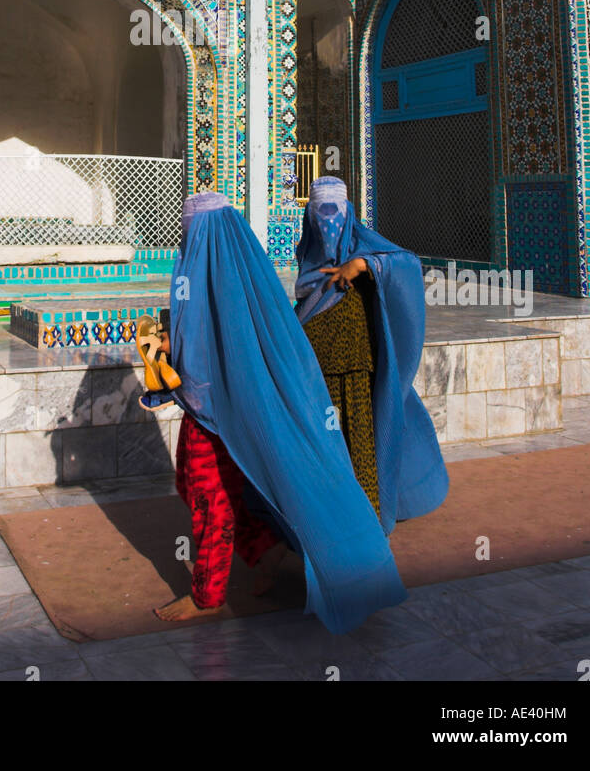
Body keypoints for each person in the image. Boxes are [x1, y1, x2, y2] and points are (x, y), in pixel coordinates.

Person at [146, 189, 408, 633]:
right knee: (213, 487)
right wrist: (170, 348)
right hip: (230, 409)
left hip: (215, 414)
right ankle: (265, 548)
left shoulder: (214, 271)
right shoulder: (229, 271)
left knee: (209, 497)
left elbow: (218, 348)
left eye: (192, 226)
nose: (189, 235)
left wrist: (177, 371)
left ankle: (207, 595)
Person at [295, 177, 449, 535]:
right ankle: (327, 525)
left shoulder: (362, 251)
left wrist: (362, 265)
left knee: (359, 445)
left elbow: (407, 264)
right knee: (324, 451)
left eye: (335, 216)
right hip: (317, 375)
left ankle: (366, 526)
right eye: (321, 217)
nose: (328, 226)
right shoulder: (308, 266)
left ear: (348, 216)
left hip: (358, 375)